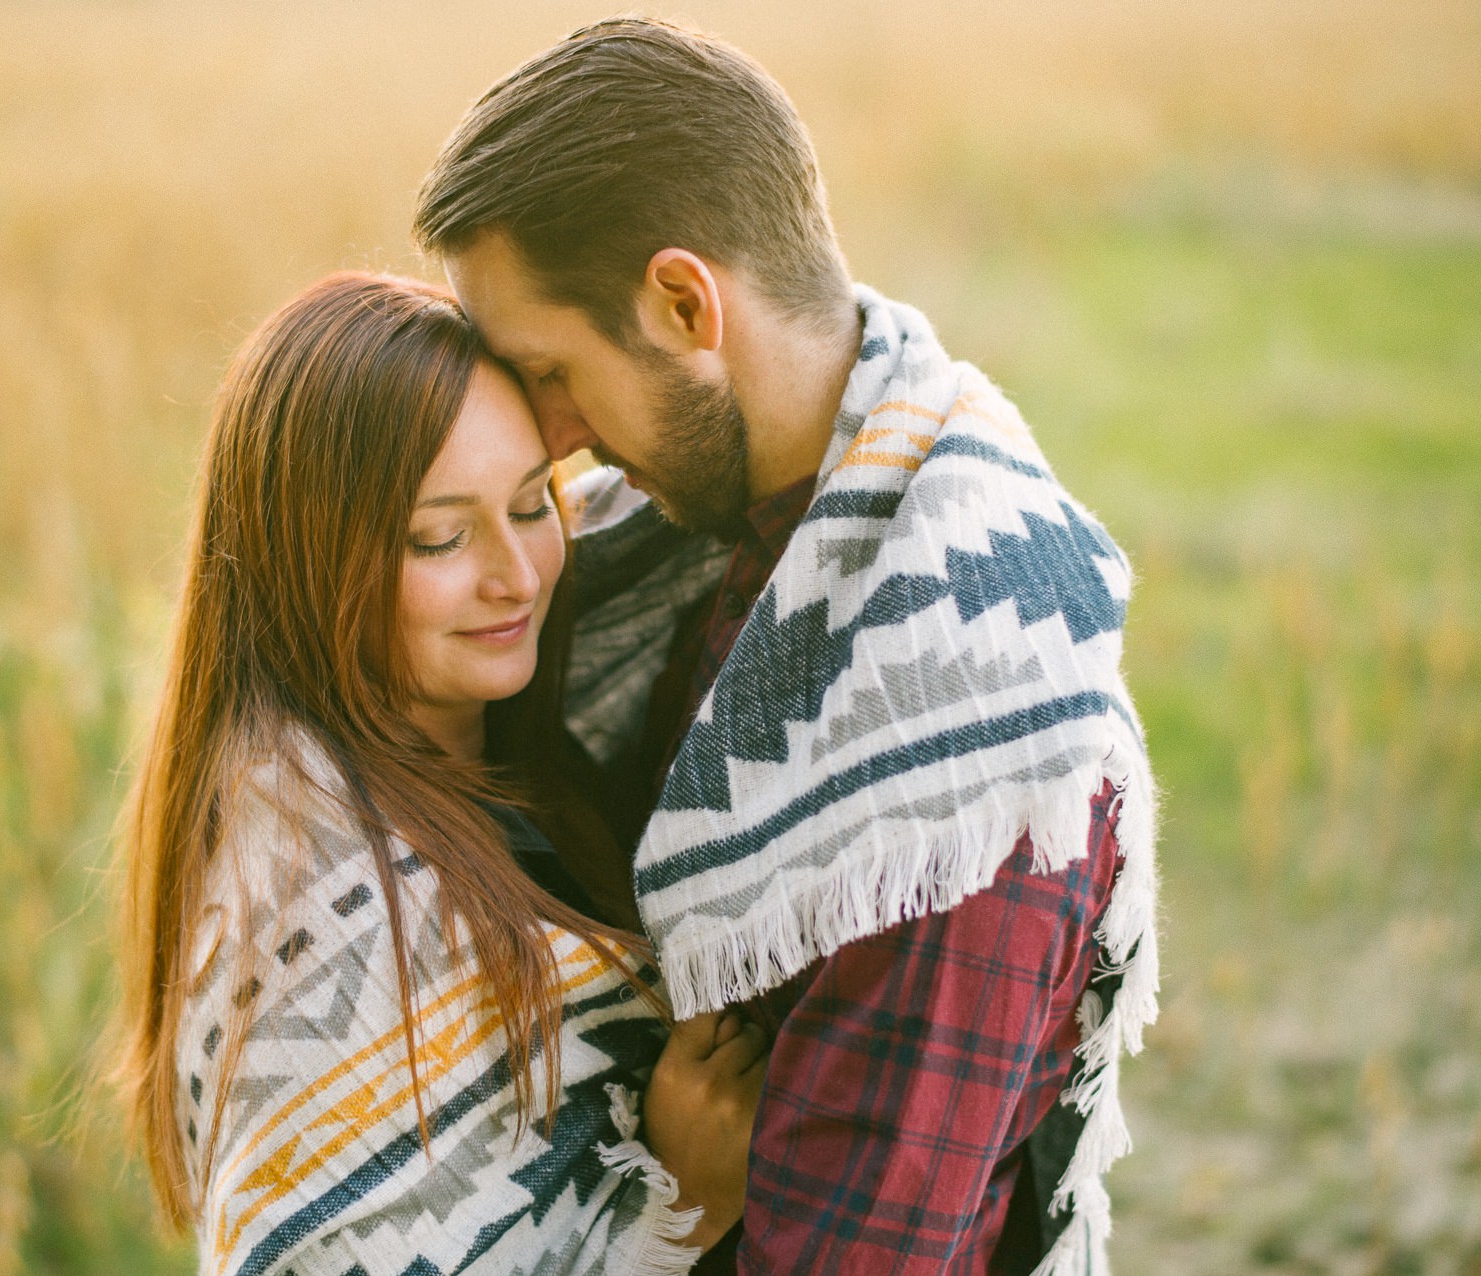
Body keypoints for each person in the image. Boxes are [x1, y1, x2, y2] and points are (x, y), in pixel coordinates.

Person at [414, 19, 1160, 1275]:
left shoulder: (950, 749)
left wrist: (673, 1225)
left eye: (551, 371)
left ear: (682, 302)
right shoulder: (755, 530)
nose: (548, 439)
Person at [112, 271, 769, 1276]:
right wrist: (674, 1204)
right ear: (311, 556)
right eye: (440, 536)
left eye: (530, 502)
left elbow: (774, 455)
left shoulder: (513, 710)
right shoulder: (315, 910)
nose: (517, 574)